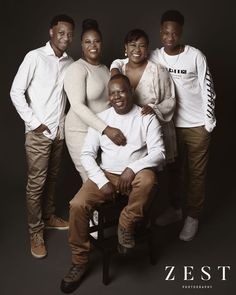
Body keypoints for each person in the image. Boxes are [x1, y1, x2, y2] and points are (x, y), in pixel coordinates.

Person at [111, 10, 216, 242]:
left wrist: (209, 121)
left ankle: (193, 217)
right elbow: (124, 58)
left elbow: (208, 87)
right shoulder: (154, 55)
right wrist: (115, 70)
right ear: (160, 33)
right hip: (169, 126)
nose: (170, 37)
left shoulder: (195, 55)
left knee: (196, 174)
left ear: (181, 33)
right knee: (173, 171)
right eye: (166, 32)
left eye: (174, 33)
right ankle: (176, 209)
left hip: (197, 124)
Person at [60, 74, 165, 293]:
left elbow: (159, 153)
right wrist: (101, 180)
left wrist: (133, 168)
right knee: (77, 205)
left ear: (131, 91)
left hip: (135, 175)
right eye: (113, 93)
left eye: (122, 91)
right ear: (109, 96)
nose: (118, 96)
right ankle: (79, 262)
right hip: (107, 175)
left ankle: (126, 223)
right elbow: (87, 154)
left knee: (149, 179)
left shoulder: (146, 116)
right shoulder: (102, 119)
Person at [10, 14, 75, 259]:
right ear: (51, 32)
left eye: (69, 34)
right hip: (38, 134)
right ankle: (35, 232)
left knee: (53, 178)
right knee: (36, 184)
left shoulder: (71, 63)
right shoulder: (34, 57)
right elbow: (16, 92)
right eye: (61, 33)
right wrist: (34, 122)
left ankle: (48, 217)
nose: (66, 38)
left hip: (59, 133)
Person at [64, 19, 126, 183]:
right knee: (92, 179)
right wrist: (106, 129)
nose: (93, 45)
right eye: (88, 42)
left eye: (97, 41)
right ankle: (88, 209)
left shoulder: (105, 69)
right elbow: (77, 106)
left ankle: (102, 209)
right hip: (80, 131)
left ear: (102, 44)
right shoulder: (77, 69)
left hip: (100, 131)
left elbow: (109, 102)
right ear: (82, 45)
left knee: (109, 174)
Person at [110, 29, 176, 165]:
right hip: (127, 133)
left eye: (142, 45)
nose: (137, 49)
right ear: (126, 48)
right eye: (133, 45)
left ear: (147, 49)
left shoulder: (158, 71)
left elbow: (171, 100)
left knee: (154, 177)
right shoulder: (119, 70)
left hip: (155, 132)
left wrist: (153, 108)